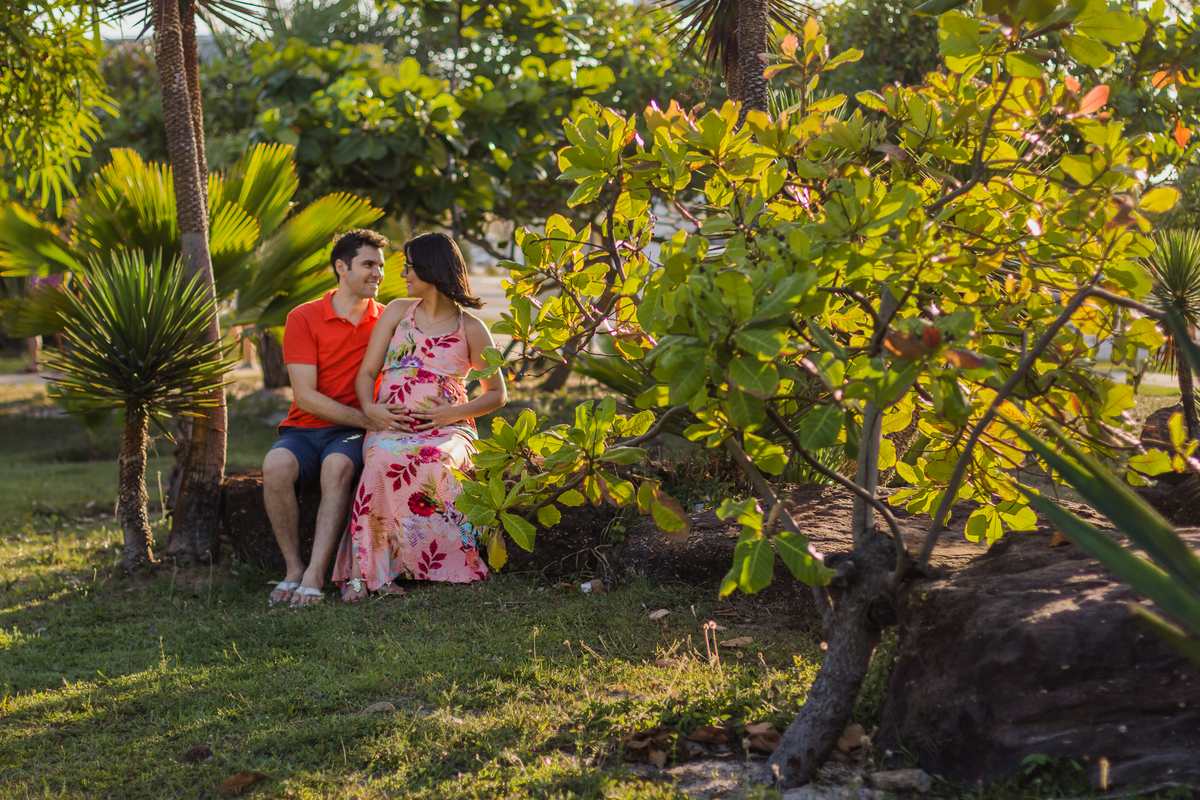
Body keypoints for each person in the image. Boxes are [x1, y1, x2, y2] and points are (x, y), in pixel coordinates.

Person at [333, 232, 506, 602]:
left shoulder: (472, 328)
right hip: (391, 425)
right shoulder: (398, 312)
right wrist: (371, 409)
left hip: (448, 429)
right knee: (381, 459)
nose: (403, 275)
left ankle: (434, 565)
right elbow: (366, 374)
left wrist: (450, 414)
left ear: (431, 269)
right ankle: (365, 575)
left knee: (436, 462)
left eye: (410, 267)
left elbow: (497, 393)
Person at [262, 229, 411, 607]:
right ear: (341, 267)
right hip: (306, 426)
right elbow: (305, 396)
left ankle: (315, 574)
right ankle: (293, 569)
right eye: (368, 264)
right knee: (275, 467)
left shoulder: (389, 319)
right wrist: (368, 419)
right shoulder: (303, 316)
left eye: (381, 265)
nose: (378, 273)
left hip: (351, 433)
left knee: (337, 467)